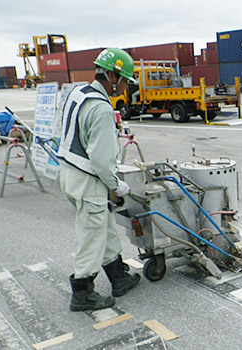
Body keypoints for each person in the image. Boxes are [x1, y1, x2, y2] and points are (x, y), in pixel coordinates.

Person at [58, 48, 141, 312]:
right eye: (126, 80)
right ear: (113, 76)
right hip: (88, 180)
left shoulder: (79, 93)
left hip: (70, 174)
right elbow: (102, 160)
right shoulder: (102, 109)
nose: (126, 86)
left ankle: (119, 277)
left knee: (104, 227)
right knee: (92, 236)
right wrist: (117, 185)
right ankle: (82, 293)